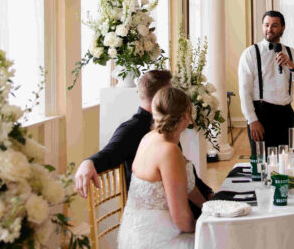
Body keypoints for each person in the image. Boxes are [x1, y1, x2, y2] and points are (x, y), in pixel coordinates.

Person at [65, 87, 200, 249]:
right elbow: (180, 217)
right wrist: (202, 226)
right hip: (154, 245)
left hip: (130, 236)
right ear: (185, 116)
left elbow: (185, 189)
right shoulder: (169, 151)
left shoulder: (148, 138)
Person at [74, 70, 212, 211]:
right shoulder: (132, 129)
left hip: (179, 201)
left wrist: (208, 193)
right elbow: (109, 154)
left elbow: (185, 172)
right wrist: (88, 163)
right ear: (163, 95)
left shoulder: (167, 123)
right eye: (171, 90)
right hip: (164, 211)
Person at [238, 10, 294, 150]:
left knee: (286, 160)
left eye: (274, 25)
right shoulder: (250, 53)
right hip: (261, 114)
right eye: (266, 25)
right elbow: (244, 91)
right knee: (261, 162)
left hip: (286, 114)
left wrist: (291, 65)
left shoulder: (291, 53)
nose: (269, 29)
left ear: (283, 28)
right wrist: (252, 120)